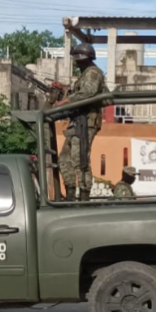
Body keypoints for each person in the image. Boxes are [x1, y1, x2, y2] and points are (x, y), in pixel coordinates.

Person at [57, 42, 107, 201]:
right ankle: (70, 192)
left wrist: (65, 101)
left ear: (83, 59)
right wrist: (65, 91)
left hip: (86, 121)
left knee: (80, 160)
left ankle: (84, 195)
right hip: (77, 121)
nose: (76, 62)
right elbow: (80, 92)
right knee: (65, 159)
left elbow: (88, 92)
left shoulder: (93, 73)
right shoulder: (85, 74)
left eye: (77, 59)